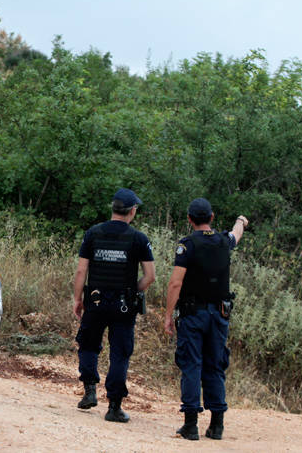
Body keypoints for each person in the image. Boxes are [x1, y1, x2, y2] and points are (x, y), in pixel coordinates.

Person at [164, 198, 248, 440]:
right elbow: (236, 233)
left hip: (193, 314)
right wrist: (241, 220)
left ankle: (191, 425)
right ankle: (216, 425)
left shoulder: (187, 245)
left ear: (189, 220)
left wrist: (168, 315)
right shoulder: (224, 242)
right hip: (219, 315)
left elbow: (175, 282)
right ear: (211, 218)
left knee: (192, 365)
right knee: (215, 366)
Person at [72, 188, 156, 422]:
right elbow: (150, 276)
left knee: (88, 345)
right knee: (120, 353)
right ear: (132, 211)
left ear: (113, 209)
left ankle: (89, 391)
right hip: (123, 305)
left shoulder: (93, 233)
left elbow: (81, 270)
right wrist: (132, 291)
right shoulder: (139, 238)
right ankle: (114, 407)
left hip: (95, 301)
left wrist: (77, 299)